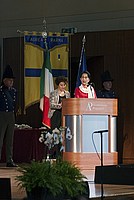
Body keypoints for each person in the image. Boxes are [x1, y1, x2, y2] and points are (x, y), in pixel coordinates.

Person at [0, 65, 18, 167]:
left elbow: (14, 104)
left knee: (10, 140)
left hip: (11, 115)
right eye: (9, 80)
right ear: (4, 80)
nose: (11, 82)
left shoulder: (14, 91)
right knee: (0, 139)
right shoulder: (1, 91)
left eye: (12, 80)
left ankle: (9, 159)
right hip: (1, 114)